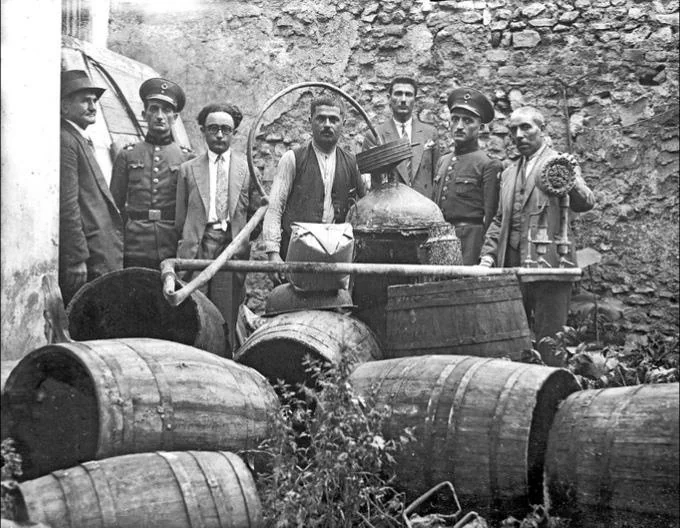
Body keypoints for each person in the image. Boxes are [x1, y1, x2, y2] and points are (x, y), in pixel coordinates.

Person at [479, 106, 595, 343]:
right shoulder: (509, 172)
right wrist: (488, 257)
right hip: (513, 267)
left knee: (550, 341)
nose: (519, 135)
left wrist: (570, 179)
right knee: (514, 339)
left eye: (526, 127)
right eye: (513, 129)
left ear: (541, 130)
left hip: (551, 266)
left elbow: (586, 203)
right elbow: (500, 219)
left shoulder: (560, 163)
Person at [175, 102, 262, 354]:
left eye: (226, 129)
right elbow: (179, 220)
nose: (220, 135)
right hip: (197, 249)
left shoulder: (247, 171)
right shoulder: (187, 170)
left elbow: (255, 215)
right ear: (202, 131)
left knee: (225, 315)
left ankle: (227, 365)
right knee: (194, 313)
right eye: (213, 129)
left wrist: (239, 240)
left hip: (230, 250)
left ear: (234, 133)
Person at [262, 94, 367, 281]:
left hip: (336, 254)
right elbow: (274, 209)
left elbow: (365, 206)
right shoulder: (292, 159)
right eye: (321, 118)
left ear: (343, 122)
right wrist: (272, 253)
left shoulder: (352, 162)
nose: (327, 124)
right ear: (310, 121)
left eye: (334, 119)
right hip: (297, 251)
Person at [110, 78, 194, 269]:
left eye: (166, 110)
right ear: (144, 114)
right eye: (154, 109)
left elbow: (191, 209)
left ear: (175, 117)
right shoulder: (127, 155)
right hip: (135, 245)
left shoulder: (186, 158)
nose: (159, 116)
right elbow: (115, 206)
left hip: (171, 243)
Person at [59, 70, 123, 304]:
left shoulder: (79, 139)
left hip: (98, 253)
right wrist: (76, 258)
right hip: (88, 258)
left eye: (95, 100)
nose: (93, 106)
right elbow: (68, 204)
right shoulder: (66, 140)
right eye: (85, 100)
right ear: (64, 107)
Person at [433, 87, 502, 265]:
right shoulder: (443, 161)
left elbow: (491, 217)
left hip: (470, 246)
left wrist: (486, 256)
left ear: (480, 127)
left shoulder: (488, 164)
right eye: (455, 119)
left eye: (467, 121)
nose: (459, 126)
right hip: (440, 242)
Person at [362, 76, 439, 198]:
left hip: (423, 208)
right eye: (398, 94)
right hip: (390, 207)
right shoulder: (375, 135)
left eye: (408, 94)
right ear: (389, 98)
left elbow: (436, 177)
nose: (403, 99)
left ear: (415, 100)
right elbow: (368, 183)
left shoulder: (430, 133)